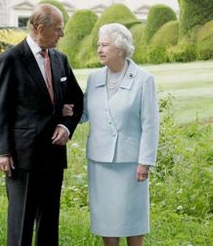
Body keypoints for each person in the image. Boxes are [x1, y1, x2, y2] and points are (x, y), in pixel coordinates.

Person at [0, 4, 84, 246]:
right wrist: (2, 151)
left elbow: (76, 99)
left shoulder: (60, 59)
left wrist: (66, 126)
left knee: (49, 223)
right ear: (41, 28)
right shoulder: (10, 59)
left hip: (53, 156)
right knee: (21, 223)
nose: (62, 34)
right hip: (23, 157)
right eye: (59, 29)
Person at [64, 23, 159, 246]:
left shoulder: (144, 79)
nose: (99, 49)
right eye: (99, 45)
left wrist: (145, 162)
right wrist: (69, 111)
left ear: (121, 48)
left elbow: (151, 124)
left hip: (131, 163)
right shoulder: (94, 77)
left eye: (105, 45)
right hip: (100, 161)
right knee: (106, 218)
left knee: (132, 218)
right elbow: (86, 112)